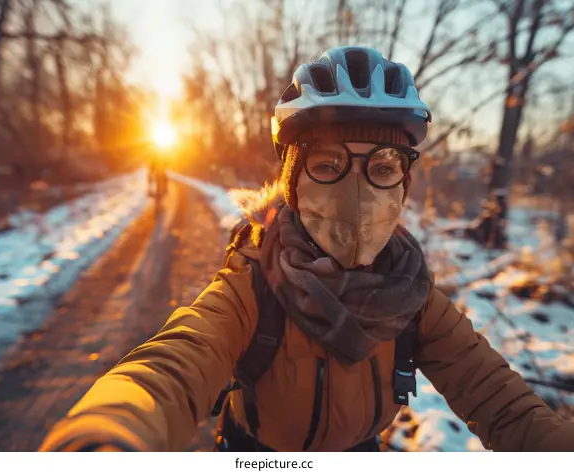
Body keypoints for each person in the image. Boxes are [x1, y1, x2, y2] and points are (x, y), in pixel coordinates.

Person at [39, 46, 574, 452]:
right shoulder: (256, 280)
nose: (358, 194)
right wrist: (103, 434)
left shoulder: (412, 292)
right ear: (294, 181)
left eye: (383, 167)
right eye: (327, 164)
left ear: (405, 182)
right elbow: (172, 366)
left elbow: (499, 399)